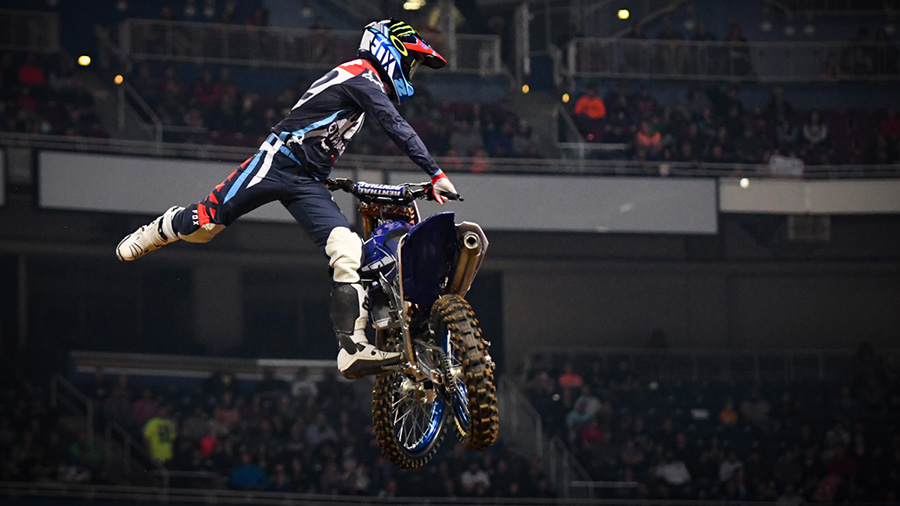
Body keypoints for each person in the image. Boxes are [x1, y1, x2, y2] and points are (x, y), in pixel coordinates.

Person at [115, 19, 458, 379]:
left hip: (309, 181)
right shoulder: (359, 75)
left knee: (347, 249)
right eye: (411, 62)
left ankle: (352, 349)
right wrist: (434, 172)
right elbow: (393, 123)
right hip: (276, 161)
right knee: (205, 224)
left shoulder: (365, 85)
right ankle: (157, 230)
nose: (411, 72)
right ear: (390, 50)